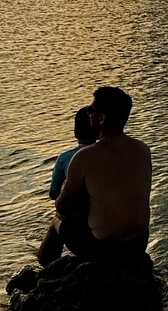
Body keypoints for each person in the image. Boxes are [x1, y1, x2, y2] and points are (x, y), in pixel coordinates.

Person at [53, 84, 151, 262]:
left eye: (91, 111)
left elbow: (63, 207)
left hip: (103, 249)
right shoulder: (143, 149)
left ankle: (46, 270)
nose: (89, 115)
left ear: (101, 118)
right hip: (139, 243)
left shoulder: (85, 156)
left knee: (57, 221)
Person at [37, 107, 96, 265]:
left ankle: (48, 265)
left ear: (75, 133)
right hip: (107, 219)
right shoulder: (109, 155)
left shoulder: (65, 158)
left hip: (81, 222)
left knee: (57, 220)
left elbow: (53, 193)